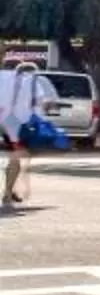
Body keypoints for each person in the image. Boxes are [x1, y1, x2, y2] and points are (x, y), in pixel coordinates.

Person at [0, 60, 46, 210]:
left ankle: (11, 189)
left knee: (15, 157)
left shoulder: (3, 80)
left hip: (5, 121)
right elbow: (40, 102)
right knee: (16, 158)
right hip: (20, 123)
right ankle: (7, 193)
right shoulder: (31, 82)